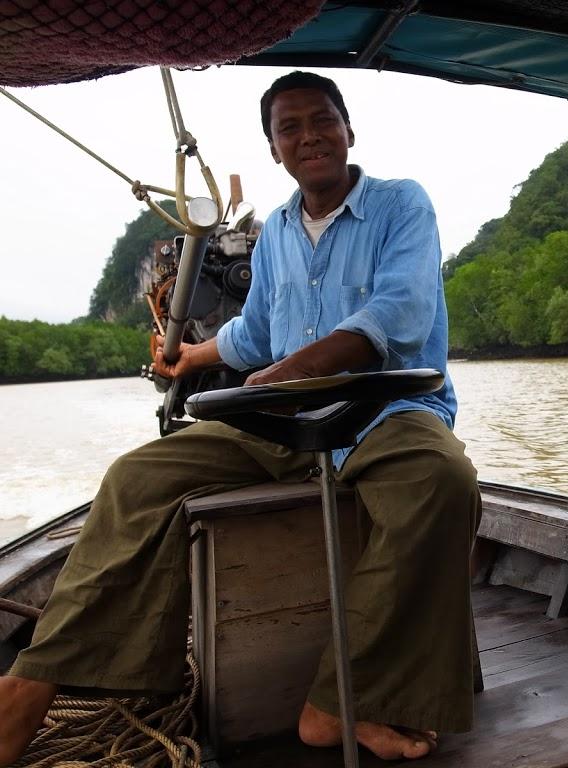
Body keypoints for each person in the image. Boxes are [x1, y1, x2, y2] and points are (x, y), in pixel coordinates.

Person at [0, 70, 481, 765]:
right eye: (291, 127)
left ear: (350, 131)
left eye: (323, 120)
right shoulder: (278, 231)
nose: (310, 135)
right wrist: (191, 358)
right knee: (137, 479)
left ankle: (342, 702)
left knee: (442, 481)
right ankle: (30, 689)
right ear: (273, 149)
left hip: (384, 411)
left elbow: (399, 315)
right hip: (280, 422)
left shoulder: (401, 205)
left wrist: (292, 370)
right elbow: (256, 334)